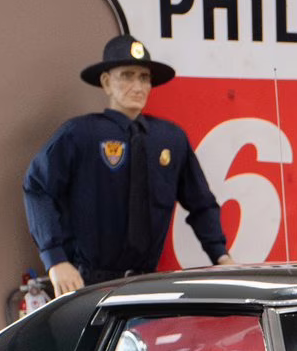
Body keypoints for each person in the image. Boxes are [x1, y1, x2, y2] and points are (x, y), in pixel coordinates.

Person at [22, 35, 232, 296]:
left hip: (147, 285)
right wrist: (55, 259)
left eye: (144, 77)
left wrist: (220, 255)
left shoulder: (169, 139)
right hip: (86, 284)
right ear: (107, 82)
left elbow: (201, 203)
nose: (138, 86)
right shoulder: (81, 134)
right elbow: (38, 187)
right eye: (127, 76)